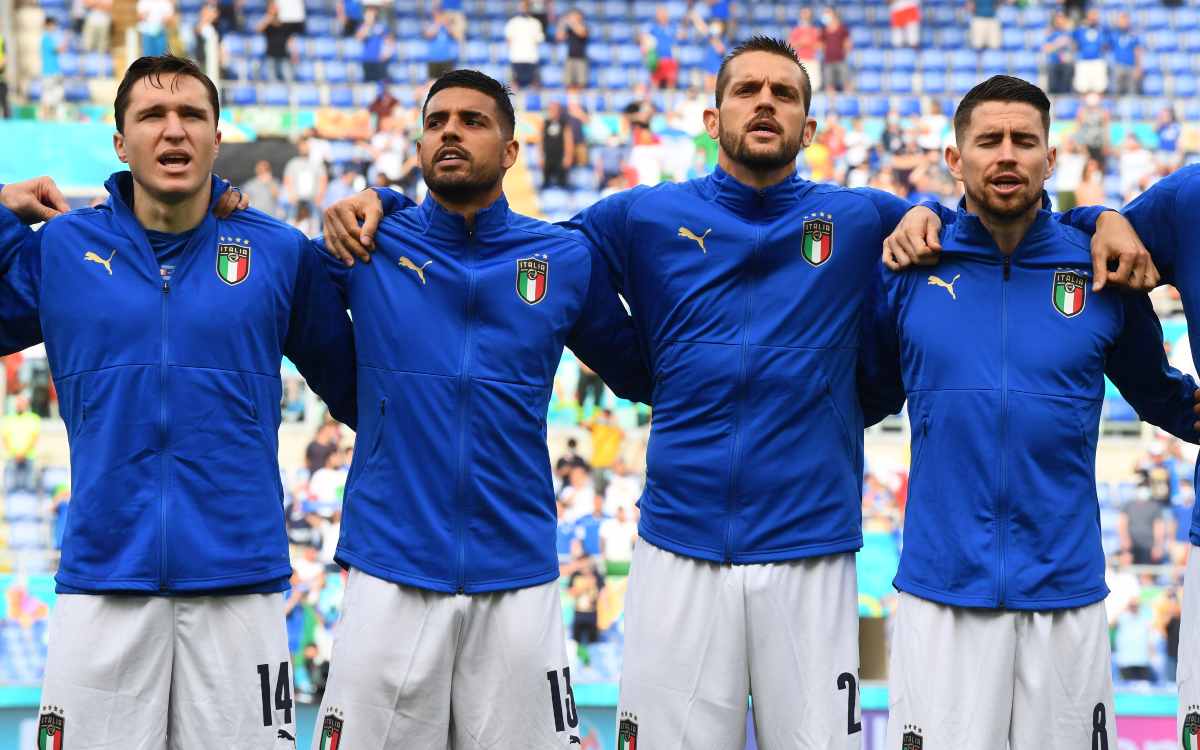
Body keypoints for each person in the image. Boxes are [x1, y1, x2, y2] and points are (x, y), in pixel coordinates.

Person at [321, 40, 954, 748]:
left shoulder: (862, 217)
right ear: (712, 120)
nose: (764, 103)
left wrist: (939, 210)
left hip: (811, 540)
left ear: (809, 129)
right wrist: (388, 202)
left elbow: (962, 239)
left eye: (783, 94)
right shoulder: (643, 217)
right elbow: (522, 250)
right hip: (678, 539)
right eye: (746, 90)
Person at [0, 55, 356, 748]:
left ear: (216, 139)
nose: (174, 130)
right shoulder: (64, 250)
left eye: (192, 115)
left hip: (240, 583)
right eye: (152, 116)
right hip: (104, 577)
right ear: (120, 142)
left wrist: (387, 210)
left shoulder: (279, 253)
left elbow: (363, 393)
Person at [308, 69, 652, 749]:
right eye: (436, 122)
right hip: (390, 565)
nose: (451, 133)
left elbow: (640, 373)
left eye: (472, 121)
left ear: (511, 150)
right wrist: (225, 198)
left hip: (517, 572)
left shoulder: (562, 258)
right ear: (418, 145)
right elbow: (273, 284)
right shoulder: (367, 245)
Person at [860, 75, 1200, 750]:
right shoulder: (910, 267)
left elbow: (1160, 394)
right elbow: (861, 394)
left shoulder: (1098, 269)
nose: (1007, 155)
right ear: (955, 158)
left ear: (1051, 158)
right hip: (941, 592)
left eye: (1024, 140)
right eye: (989, 140)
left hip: (1065, 596)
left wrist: (1097, 217)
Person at [1, 394, 39, 493]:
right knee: (10, 487)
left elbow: (34, 438)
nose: (19, 405)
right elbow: (5, 438)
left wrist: (23, 454)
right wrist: (15, 454)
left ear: (27, 404)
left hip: (29, 457)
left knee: (30, 487)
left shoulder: (34, 418)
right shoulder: (7, 419)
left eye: (22, 403)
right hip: (11, 457)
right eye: (18, 403)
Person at [504, 0, 544, 90]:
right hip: (516, 57)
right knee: (514, 85)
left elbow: (538, 40)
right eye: (522, 7)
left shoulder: (535, 23)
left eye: (526, 7)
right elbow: (508, 40)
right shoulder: (513, 22)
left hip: (531, 58)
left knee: (534, 85)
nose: (524, 9)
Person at [643, 5, 683, 89]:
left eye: (664, 13)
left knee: (671, 84)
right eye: (660, 14)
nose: (662, 16)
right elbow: (644, 40)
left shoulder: (673, 26)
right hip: (657, 60)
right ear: (657, 15)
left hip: (670, 59)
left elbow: (681, 36)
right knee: (655, 84)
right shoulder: (652, 28)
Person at [1073, 9, 1108, 95]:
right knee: (1082, 88)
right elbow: (1073, 41)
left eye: (1095, 16)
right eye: (1091, 16)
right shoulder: (1080, 30)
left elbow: (1107, 44)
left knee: (1099, 88)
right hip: (1083, 61)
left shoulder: (1103, 30)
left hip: (1098, 61)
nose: (1093, 18)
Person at [541, 98, 573, 189]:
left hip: (560, 158)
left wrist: (568, 156)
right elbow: (540, 140)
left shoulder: (564, 124)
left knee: (562, 183)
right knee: (546, 183)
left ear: (559, 111)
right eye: (551, 109)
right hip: (548, 157)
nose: (553, 111)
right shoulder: (545, 123)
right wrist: (541, 156)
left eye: (555, 109)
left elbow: (568, 141)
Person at [1107, 11, 1142, 96]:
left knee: (1132, 91)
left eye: (1126, 20)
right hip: (1117, 66)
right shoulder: (1114, 34)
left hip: (1130, 66)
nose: (1124, 22)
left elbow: (1137, 50)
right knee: (1116, 92)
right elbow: (1106, 47)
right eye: (1122, 20)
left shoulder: (1133, 35)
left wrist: (1138, 67)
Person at [1043, 11, 1075, 95]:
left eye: (1062, 19)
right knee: (1053, 89)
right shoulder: (1051, 33)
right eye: (1058, 19)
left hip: (1066, 64)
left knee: (1066, 90)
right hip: (1054, 63)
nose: (1060, 21)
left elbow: (1074, 48)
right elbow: (1046, 49)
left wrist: (1070, 43)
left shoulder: (1069, 33)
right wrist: (1058, 43)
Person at [821, 9, 852, 93]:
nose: (825, 16)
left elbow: (847, 43)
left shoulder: (842, 28)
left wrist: (846, 52)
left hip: (840, 59)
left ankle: (849, 98)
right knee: (829, 83)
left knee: (846, 81)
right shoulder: (824, 30)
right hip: (828, 60)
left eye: (827, 14)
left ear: (833, 16)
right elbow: (822, 44)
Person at [424, 8, 459, 80]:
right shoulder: (430, 25)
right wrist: (437, 24)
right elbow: (429, 35)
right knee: (432, 82)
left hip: (446, 59)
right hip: (433, 59)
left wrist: (447, 24)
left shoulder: (448, 26)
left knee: (448, 81)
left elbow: (455, 36)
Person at [557, 9, 589, 90]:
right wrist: (562, 24)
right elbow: (559, 37)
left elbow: (582, 33)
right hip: (570, 57)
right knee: (568, 82)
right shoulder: (569, 29)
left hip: (581, 58)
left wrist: (571, 23)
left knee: (581, 82)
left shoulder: (584, 26)